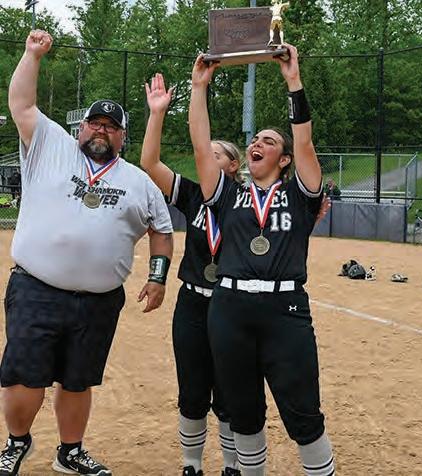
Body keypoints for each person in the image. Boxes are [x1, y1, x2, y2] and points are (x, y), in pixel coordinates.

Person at [0, 30, 174, 476]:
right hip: (36, 288)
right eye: (95, 123)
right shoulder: (51, 145)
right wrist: (32, 55)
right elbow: (20, 103)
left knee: (78, 380)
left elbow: (161, 231)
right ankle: (17, 442)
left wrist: (158, 276)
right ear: (81, 128)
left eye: (111, 126)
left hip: (98, 301)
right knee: (23, 374)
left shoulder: (138, 181)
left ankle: (70, 451)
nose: (101, 130)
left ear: (122, 137)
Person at [189, 45, 335, 476]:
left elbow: (304, 140)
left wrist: (293, 80)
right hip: (229, 308)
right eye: (255, 140)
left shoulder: (299, 194)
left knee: (304, 413)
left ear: (284, 159)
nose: (256, 143)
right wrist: (198, 87)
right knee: (243, 412)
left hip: (284, 309)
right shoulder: (229, 194)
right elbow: (201, 148)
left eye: (268, 142)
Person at [140, 73, 241, 476]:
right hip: (193, 303)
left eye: (216, 155)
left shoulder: (248, 200)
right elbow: (150, 164)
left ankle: (232, 466)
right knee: (193, 390)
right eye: (206, 153)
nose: (206, 159)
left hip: (233, 304)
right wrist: (157, 114)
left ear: (233, 165)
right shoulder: (194, 194)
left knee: (230, 393)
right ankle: (191, 465)